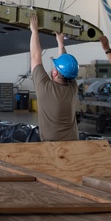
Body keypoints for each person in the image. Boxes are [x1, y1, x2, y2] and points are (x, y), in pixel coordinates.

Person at [29, 13, 80, 141]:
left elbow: (36, 56)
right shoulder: (73, 87)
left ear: (55, 73)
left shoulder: (45, 88)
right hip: (74, 141)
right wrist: (60, 42)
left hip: (52, 143)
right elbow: (67, 65)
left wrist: (34, 31)